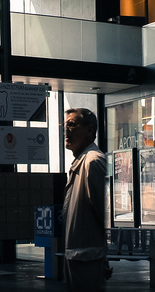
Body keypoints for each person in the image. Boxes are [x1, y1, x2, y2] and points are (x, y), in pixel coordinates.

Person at [61, 108, 109, 291]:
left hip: (87, 256)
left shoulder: (93, 162)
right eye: (65, 125)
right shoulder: (81, 161)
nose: (66, 130)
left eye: (72, 125)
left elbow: (103, 213)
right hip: (80, 255)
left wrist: (104, 256)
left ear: (90, 130)